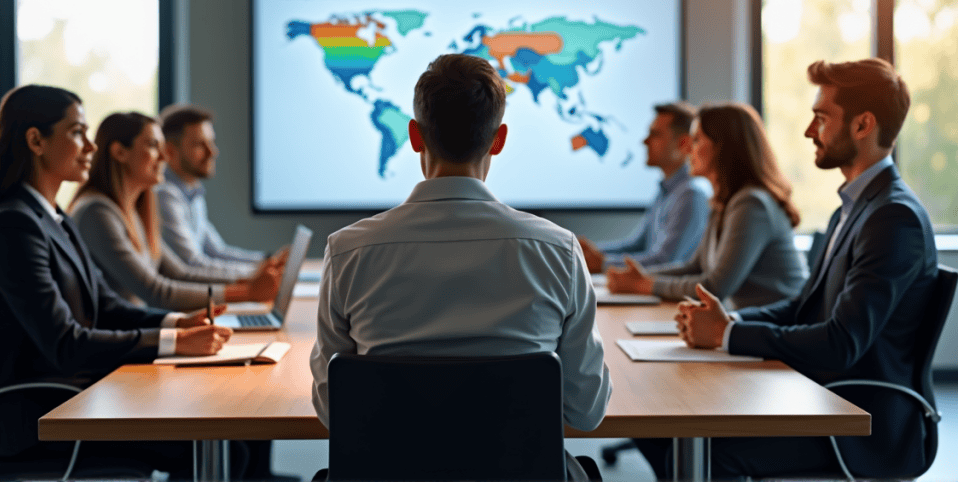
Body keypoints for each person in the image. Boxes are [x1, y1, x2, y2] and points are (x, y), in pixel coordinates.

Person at [309, 54, 612, 481]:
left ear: (414, 136)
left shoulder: (347, 252)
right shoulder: (557, 250)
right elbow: (586, 412)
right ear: (499, 139)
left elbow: (331, 412)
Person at [662, 58, 938, 479]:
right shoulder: (851, 210)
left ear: (862, 125)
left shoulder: (892, 219)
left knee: (707, 447)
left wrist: (729, 334)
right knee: (677, 432)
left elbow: (842, 341)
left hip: (861, 419)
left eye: (821, 118)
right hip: (826, 395)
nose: (810, 131)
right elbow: (803, 307)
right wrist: (727, 321)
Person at [0, 85, 232, 477]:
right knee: (213, 438)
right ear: (36, 140)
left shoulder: (54, 217)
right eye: (76, 133)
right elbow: (65, 344)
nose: (90, 146)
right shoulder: (12, 225)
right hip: (46, 411)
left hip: (81, 390)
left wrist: (174, 323)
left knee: (223, 430)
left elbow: (106, 306)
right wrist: (173, 343)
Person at [68, 111, 285, 312]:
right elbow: (155, 292)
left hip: (141, 332)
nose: (164, 157)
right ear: (119, 152)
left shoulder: (132, 212)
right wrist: (247, 292)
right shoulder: (97, 213)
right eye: (153, 146)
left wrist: (251, 281)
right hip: (120, 344)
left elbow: (180, 273)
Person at [607, 103, 809, 309]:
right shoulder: (724, 201)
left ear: (722, 147)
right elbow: (695, 267)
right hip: (748, 325)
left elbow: (715, 287)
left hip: (775, 329)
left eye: (696, 140)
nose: (687, 149)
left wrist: (647, 285)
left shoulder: (751, 204)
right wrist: (642, 277)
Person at [578, 102, 711, 273]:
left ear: (683, 143)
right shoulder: (666, 191)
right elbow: (637, 245)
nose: (645, 141)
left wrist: (603, 264)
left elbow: (665, 261)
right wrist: (589, 253)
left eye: (655, 134)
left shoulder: (691, 194)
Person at [157, 104, 265, 278]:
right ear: (169, 151)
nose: (212, 152)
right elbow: (192, 263)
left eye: (211, 142)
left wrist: (267, 261)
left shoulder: (192, 192)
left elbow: (216, 251)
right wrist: (257, 275)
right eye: (200, 145)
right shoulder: (164, 195)